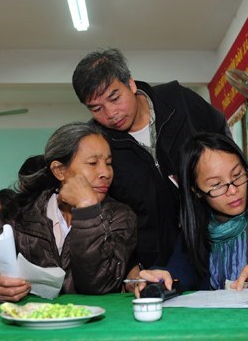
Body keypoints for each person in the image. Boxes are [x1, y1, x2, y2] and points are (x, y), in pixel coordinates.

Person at [72, 48, 230, 289]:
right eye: (96, 108)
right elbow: (109, 212)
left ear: (131, 84)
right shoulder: (99, 143)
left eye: (115, 98)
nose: (111, 114)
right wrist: (129, 263)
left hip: (214, 244)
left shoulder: (180, 102)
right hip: (151, 267)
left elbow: (226, 149)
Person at [0, 122, 137, 302]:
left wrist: (88, 210)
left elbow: (96, 284)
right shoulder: (19, 216)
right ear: (60, 170)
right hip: (28, 324)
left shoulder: (121, 217)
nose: (106, 172)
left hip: (92, 326)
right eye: (93, 163)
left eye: (109, 163)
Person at [136, 132, 248, 293]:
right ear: (196, 191)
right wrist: (160, 277)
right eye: (216, 185)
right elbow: (180, 272)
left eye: (237, 175)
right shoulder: (197, 228)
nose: (233, 190)